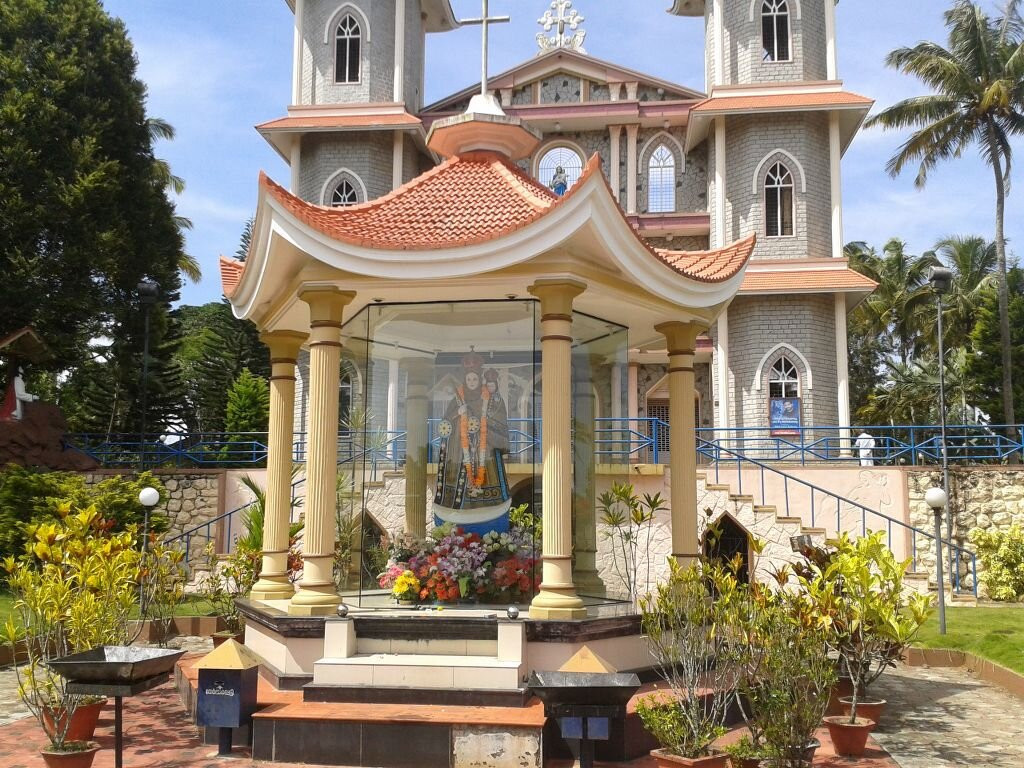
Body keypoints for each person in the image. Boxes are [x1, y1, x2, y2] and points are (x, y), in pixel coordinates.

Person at [432, 352, 511, 533]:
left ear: (479, 379)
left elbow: (500, 420)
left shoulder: (491, 400)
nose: (472, 382)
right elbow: (445, 424)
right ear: (465, 380)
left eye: (475, 379)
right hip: (461, 452)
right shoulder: (457, 400)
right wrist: (457, 415)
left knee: (487, 476)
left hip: (486, 453)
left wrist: (483, 424)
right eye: (469, 379)